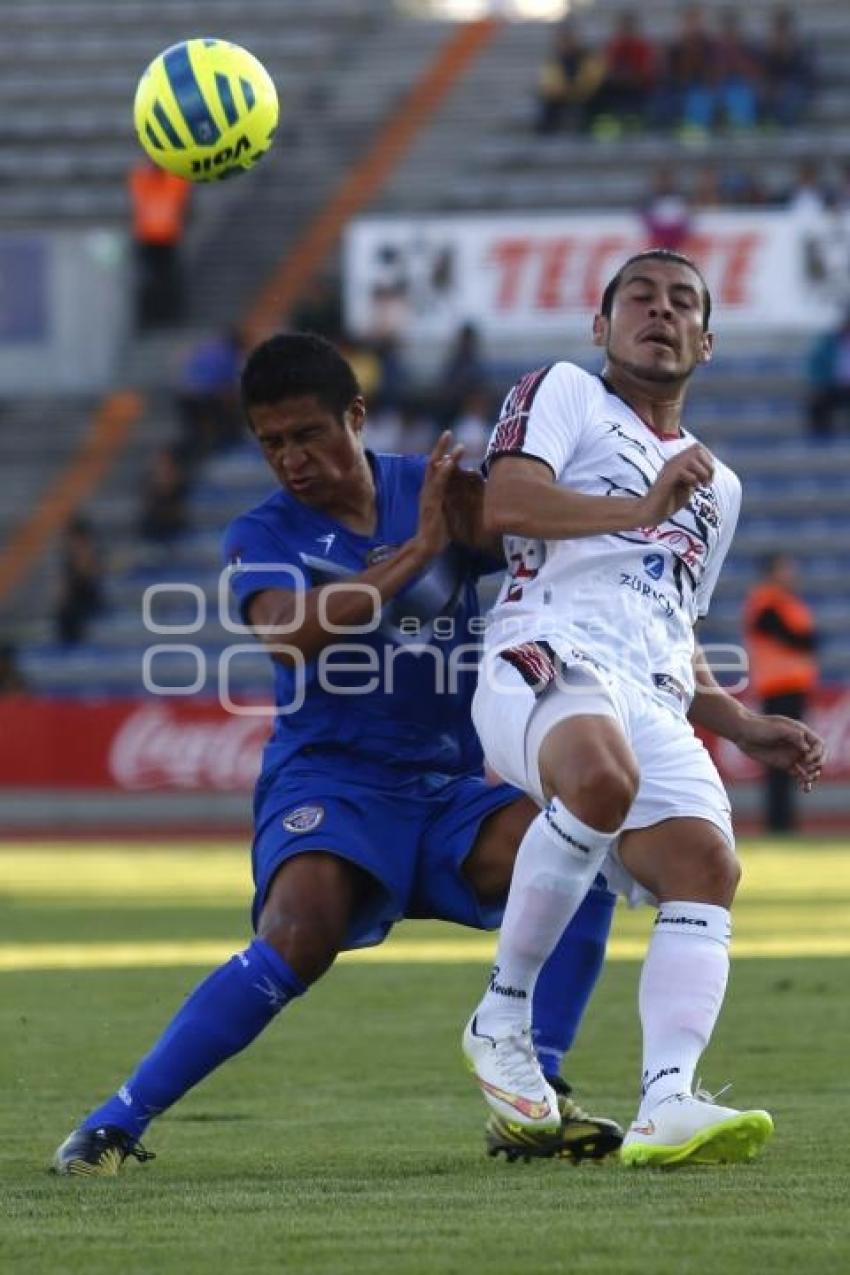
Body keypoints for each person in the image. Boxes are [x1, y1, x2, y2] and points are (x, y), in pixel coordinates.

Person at [53, 333, 622, 1177]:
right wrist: (421, 554)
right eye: (271, 442)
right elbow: (292, 634)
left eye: (307, 434)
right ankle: (111, 1124)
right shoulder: (262, 531)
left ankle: (531, 1091)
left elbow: (548, 550)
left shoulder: (432, 489)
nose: (292, 458)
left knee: (584, 860)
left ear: (354, 416)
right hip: (332, 778)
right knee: (300, 932)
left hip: (447, 787)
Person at [461, 249, 825, 1168]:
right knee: (600, 777)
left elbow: (669, 623)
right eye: (639, 297)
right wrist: (637, 505)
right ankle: (502, 1016)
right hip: (543, 647)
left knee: (708, 864)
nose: (659, 312)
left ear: (707, 340)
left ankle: (669, 1097)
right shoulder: (565, 395)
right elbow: (504, 499)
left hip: (650, 687)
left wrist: (740, 722)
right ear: (600, 326)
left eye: (682, 303)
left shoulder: (721, 487)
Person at [744, 555, 819, 833]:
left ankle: (784, 821)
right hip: (778, 688)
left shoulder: (785, 603)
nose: (791, 573)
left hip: (791, 687)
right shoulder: (767, 602)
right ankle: (779, 823)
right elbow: (799, 639)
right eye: (786, 568)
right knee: (781, 757)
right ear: (772, 572)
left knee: (789, 756)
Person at [128, 157, 191, 329]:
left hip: (167, 237)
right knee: (150, 281)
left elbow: (184, 202)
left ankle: (169, 317)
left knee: (167, 281)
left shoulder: (173, 180)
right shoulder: (143, 179)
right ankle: (150, 318)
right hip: (148, 237)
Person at [53, 515, 104, 646]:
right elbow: (63, 592)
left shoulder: (91, 558)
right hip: (73, 610)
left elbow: (91, 578)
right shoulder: (67, 560)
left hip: (88, 605)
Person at [807, 313, 850, 438]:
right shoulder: (828, 343)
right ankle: (821, 440)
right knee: (818, 402)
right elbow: (815, 365)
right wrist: (822, 382)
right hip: (833, 387)